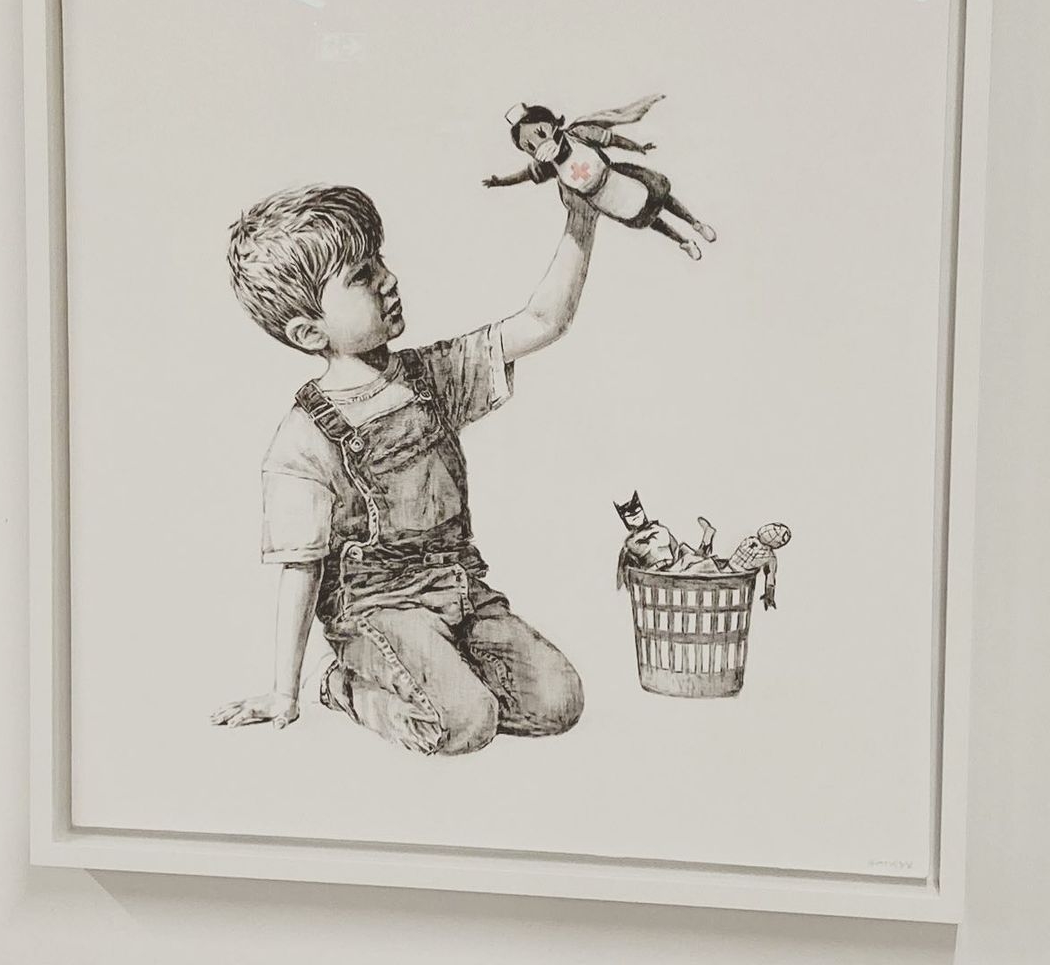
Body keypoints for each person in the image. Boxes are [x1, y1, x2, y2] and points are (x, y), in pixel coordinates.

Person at [210, 183, 591, 755]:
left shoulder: (433, 376)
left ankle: (445, 674)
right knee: (465, 726)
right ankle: (341, 687)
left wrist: (581, 219)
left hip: (461, 589)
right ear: (310, 332)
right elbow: (301, 567)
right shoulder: (304, 439)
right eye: (362, 276)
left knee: (557, 705)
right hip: (376, 611)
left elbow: (542, 321)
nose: (388, 279)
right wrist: (283, 692)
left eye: (380, 261)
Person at [482, 94, 716, 259]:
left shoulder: (578, 133)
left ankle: (696, 224)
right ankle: (683, 242)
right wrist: (500, 182)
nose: (539, 145)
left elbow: (611, 139)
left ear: (552, 123)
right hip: (604, 200)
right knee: (648, 219)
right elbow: (524, 175)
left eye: (540, 133)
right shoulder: (547, 167)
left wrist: (637, 147)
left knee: (661, 196)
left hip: (617, 177)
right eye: (530, 146)